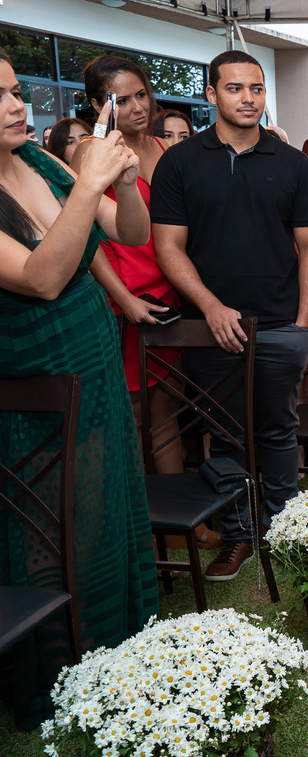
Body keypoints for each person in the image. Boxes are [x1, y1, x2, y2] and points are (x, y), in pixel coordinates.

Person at [0, 49, 157, 727]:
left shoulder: (37, 161)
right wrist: (89, 185)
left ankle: (107, 646)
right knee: (46, 528)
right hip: (31, 390)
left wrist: (118, 180)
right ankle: (60, 662)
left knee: (101, 513)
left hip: (91, 365)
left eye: (13, 90)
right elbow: (40, 276)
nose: (16, 105)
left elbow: (128, 233)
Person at [150, 50, 308, 581]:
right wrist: (208, 306)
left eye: (256, 88)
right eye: (234, 88)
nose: (247, 98)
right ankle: (237, 535)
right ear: (211, 94)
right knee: (221, 435)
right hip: (208, 328)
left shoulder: (292, 162)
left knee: (277, 432)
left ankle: (285, 534)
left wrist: (303, 325)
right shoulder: (180, 163)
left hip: (278, 325)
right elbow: (168, 248)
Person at [73, 56, 189, 483]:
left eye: (142, 94)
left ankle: (179, 528)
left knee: (167, 409)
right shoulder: (93, 152)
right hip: (127, 300)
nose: (139, 107)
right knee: (132, 416)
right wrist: (123, 298)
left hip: (171, 291)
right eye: (123, 100)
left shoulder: (162, 148)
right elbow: (84, 241)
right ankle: (140, 524)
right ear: (97, 104)